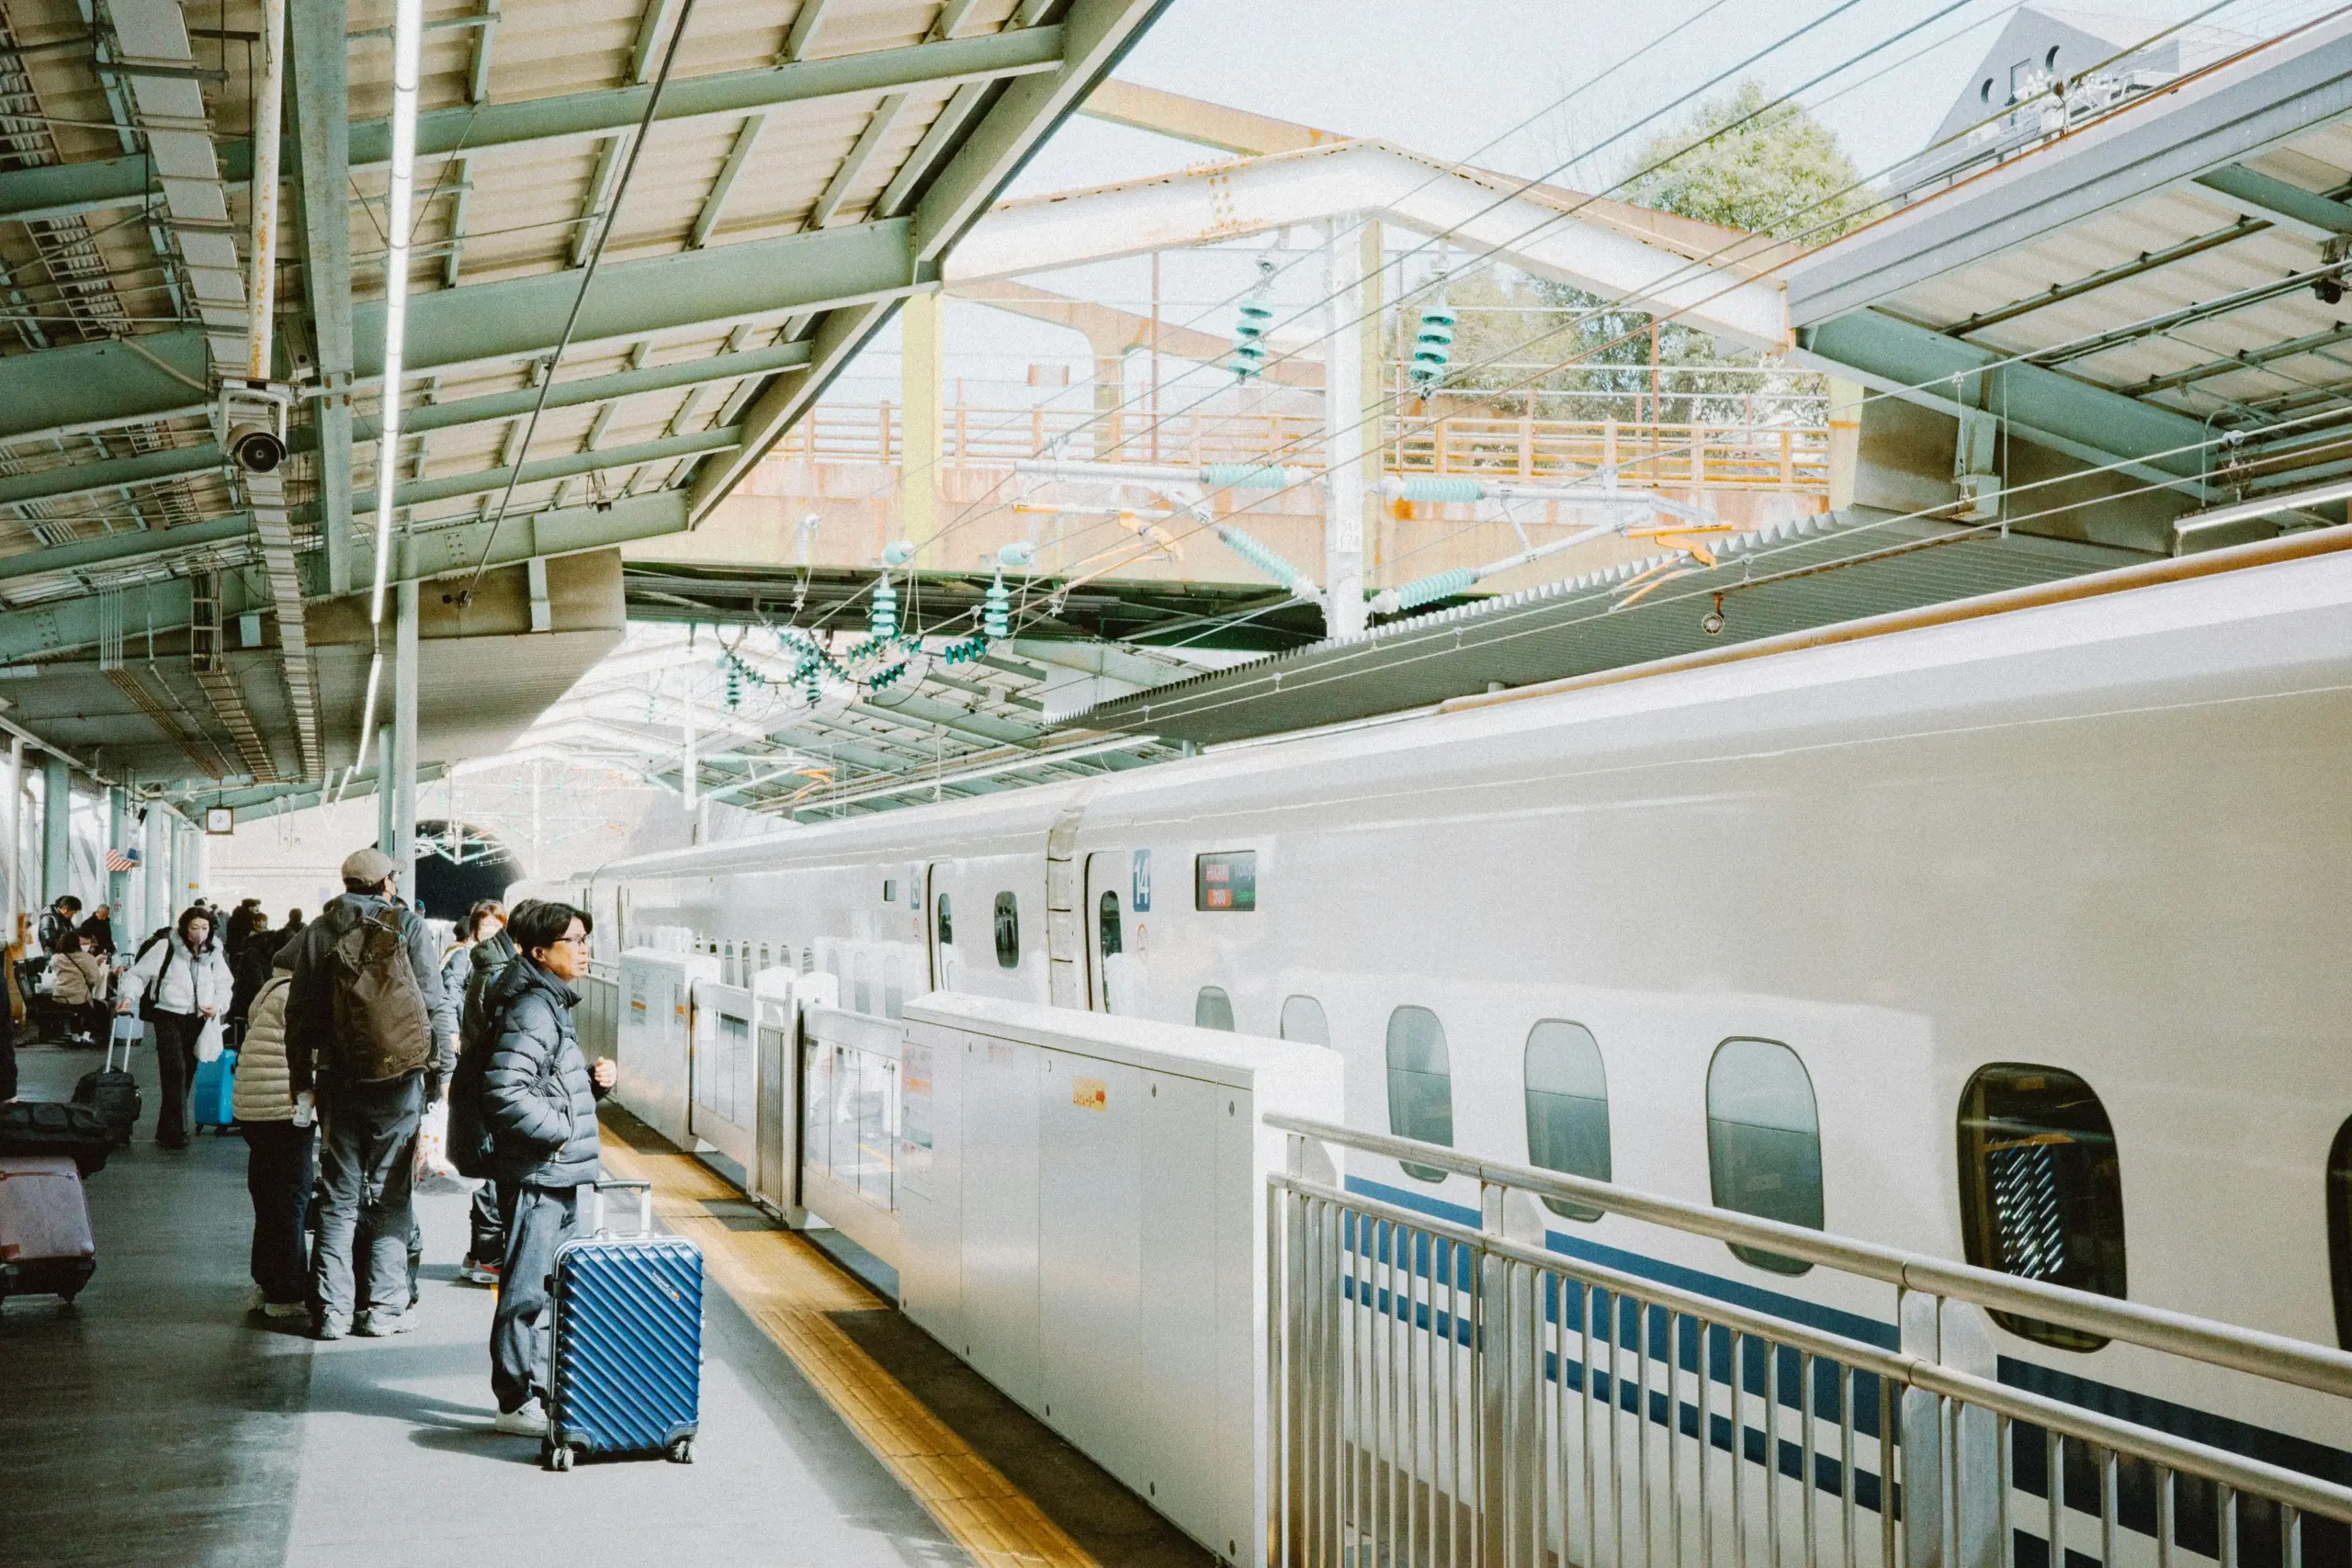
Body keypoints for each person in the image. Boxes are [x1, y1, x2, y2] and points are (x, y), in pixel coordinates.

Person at [284, 848, 455, 1340]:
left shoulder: (319, 931)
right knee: (391, 1196)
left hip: (337, 1079)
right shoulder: (408, 925)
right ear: (385, 884)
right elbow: (432, 1003)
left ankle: (333, 1314)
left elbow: (300, 1015)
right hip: (399, 1081)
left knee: (338, 1199)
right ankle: (384, 1309)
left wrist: (302, 1084)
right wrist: (441, 1075)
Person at [480, 900, 615, 1436]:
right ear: (540, 952)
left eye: (585, 939)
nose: (583, 950)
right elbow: (504, 1091)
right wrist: (560, 1131)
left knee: (547, 1285)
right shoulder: (534, 1006)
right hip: (541, 1172)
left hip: (554, 1171)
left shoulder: (548, 1001)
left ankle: (537, 1389)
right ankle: (514, 1400)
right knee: (526, 1290)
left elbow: (541, 1083)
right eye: (574, 941)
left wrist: (591, 1085)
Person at [232, 945, 312, 1320]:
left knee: (267, 1199)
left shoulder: (267, 991)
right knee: (289, 1200)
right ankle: (286, 1292)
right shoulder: (296, 995)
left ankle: (267, 1283)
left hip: (255, 1109)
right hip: (283, 1108)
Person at [123, 907, 234, 1149]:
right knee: (175, 1070)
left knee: (187, 1072)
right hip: (168, 1015)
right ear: (184, 928)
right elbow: (138, 974)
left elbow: (225, 984)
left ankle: (168, 1128)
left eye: (205, 928)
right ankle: (176, 1131)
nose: (200, 934)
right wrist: (129, 996)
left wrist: (218, 1006)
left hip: (199, 1018)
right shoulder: (166, 947)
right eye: (194, 928)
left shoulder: (214, 952)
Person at [447, 900, 511, 1284]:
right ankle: (488, 1256)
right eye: (484, 927)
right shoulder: (480, 968)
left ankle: (478, 1253)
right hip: (482, 1077)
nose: (489, 932)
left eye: (496, 926)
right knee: (489, 1170)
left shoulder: (487, 969)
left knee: (484, 1171)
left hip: (475, 1074)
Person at [45, 931, 110, 1045]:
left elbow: (52, 970)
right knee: (100, 1007)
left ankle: (75, 1038)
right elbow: (94, 980)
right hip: (79, 1000)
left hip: (59, 999)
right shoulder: (87, 958)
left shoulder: (55, 958)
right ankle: (87, 1036)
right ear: (77, 943)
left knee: (77, 1009)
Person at [228, 910, 276, 1040]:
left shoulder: (255, 948)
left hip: (248, 1004)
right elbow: (256, 983)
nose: (261, 923)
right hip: (250, 1006)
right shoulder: (254, 951)